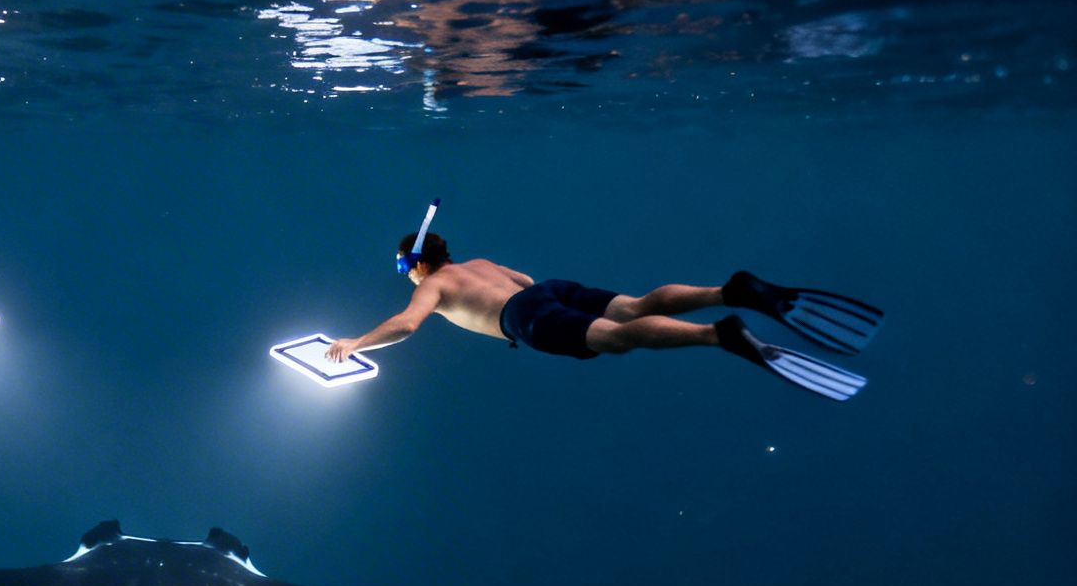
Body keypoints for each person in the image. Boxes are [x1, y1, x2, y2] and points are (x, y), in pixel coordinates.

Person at [324, 231, 882, 400]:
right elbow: (523, 282)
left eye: (405, 271)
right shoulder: (481, 261)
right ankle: (728, 291)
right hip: (548, 289)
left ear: (416, 265)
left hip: (525, 319)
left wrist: (357, 342)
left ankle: (719, 335)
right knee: (636, 305)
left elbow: (407, 324)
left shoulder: (437, 285)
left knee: (616, 338)